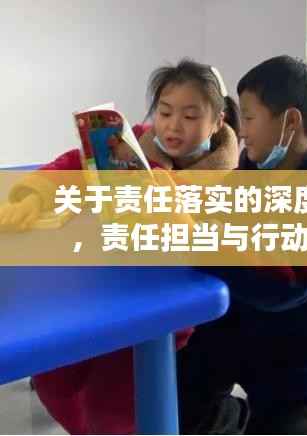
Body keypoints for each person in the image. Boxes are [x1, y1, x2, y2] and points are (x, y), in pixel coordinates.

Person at [0, 58, 240, 434]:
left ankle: (222, 417)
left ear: (217, 121)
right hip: (106, 278)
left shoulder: (232, 181)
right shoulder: (136, 146)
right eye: (165, 112)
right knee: (58, 378)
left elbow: (214, 250)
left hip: (164, 302)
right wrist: (35, 196)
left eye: (190, 116)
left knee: (116, 402)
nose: (173, 126)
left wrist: (174, 215)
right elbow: (71, 165)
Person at [176, 55, 307, 434]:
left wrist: (197, 238)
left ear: (290, 122)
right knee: (174, 398)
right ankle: (239, 419)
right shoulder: (258, 168)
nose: (241, 132)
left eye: (249, 118)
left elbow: (287, 277)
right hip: (250, 329)